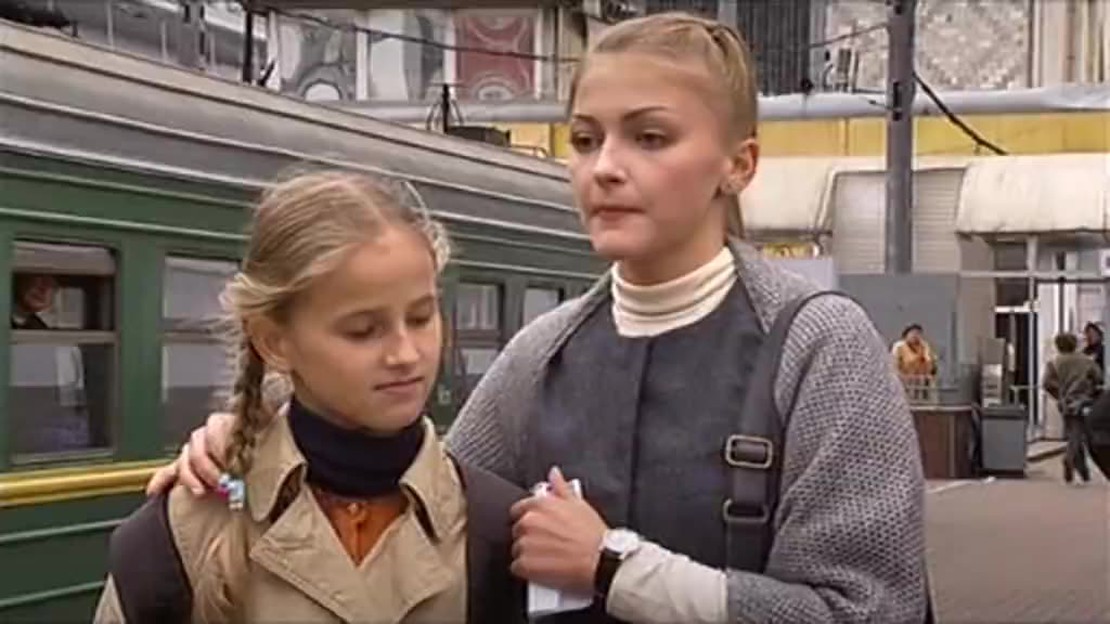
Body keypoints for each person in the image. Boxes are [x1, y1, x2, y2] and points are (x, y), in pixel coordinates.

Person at [147, 13, 928, 623]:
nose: (604, 167)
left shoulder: (818, 347)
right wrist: (251, 447)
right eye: (585, 139)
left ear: (739, 164)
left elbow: (868, 610)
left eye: (650, 137)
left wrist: (614, 566)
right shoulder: (541, 356)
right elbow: (425, 499)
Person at [94, 172, 525, 623]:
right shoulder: (181, 534)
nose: (405, 354)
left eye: (421, 318)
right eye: (362, 330)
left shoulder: (500, 533)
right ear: (274, 342)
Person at [1042, 332, 1103, 485]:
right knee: (1079, 435)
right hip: (1084, 401)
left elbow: (1047, 383)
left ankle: (1083, 471)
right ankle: (1069, 459)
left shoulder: (1054, 363)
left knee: (1074, 434)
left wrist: (1059, 394)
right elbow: (1098, 378)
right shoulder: (1086, 361)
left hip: (1065, 402)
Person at [892, 324, 938, 403]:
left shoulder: (924, 346)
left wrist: (927, 355)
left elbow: (930, 363)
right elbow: (894, 364)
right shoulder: (899, 347)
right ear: (906, 334)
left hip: (921, 381)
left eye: (918, 333)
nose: (915, 336)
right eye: (912, 333)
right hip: (905, 380)